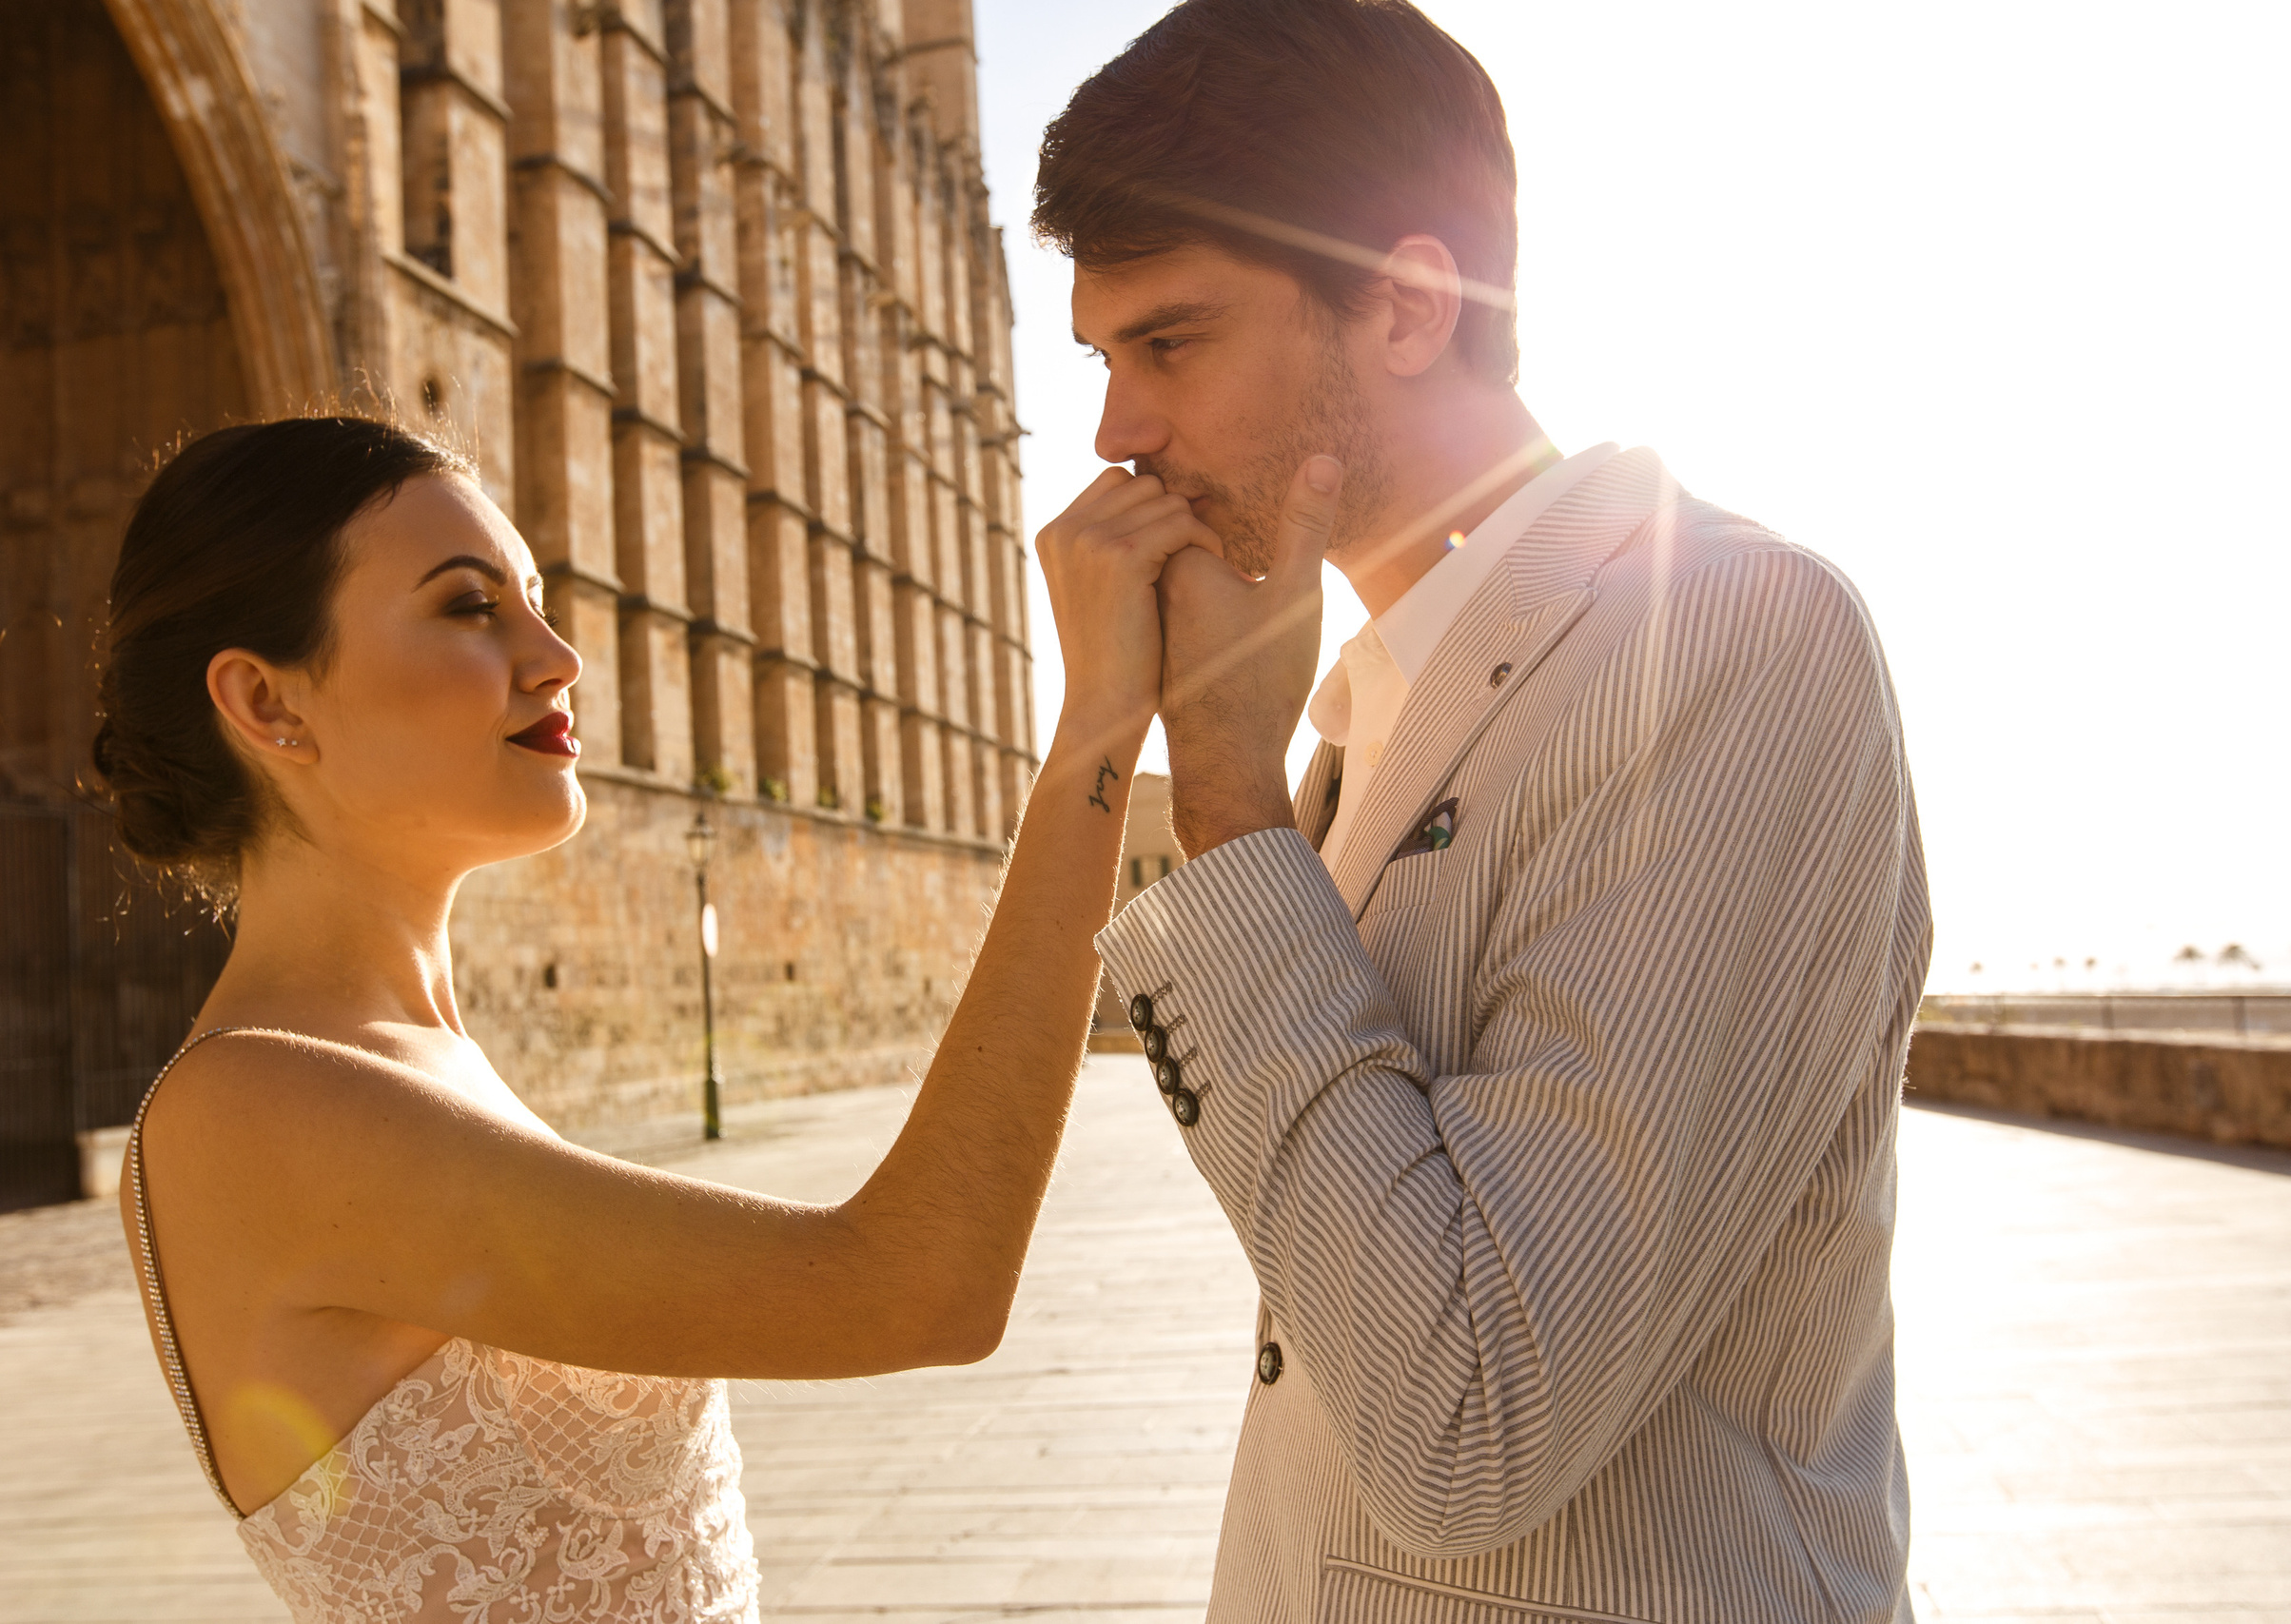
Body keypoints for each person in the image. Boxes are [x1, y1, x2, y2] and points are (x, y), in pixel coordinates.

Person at [1028, 1, 1930, 1619]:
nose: (1116, 430)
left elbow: (1471, 1416)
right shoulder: (1356, 713)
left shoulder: (1721, 633)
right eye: (1101, 357)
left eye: (1172, 342)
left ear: (1411, 302)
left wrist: (1224, 799)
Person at [98, 415, 1196, 1623]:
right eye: (471, 608)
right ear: (265, 701)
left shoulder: (415, 1063)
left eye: (536, 600)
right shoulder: (257, 1106)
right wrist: (1097, 722)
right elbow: (915, 1286)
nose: (559, 655)